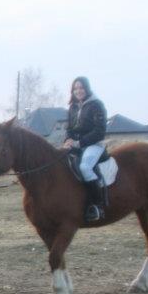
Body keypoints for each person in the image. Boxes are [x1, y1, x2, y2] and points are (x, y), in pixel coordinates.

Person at [62, 76, 108, 222]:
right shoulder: (73, 107)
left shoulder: (96, 105)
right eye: (75, 88)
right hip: (76, 144)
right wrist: (68, 140)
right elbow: (69, 128)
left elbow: (99, 131)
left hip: (93, 145)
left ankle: (97, 206)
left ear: (87, 89)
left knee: (85, 167)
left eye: (81, 88)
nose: (78, 91)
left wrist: (79, 143)